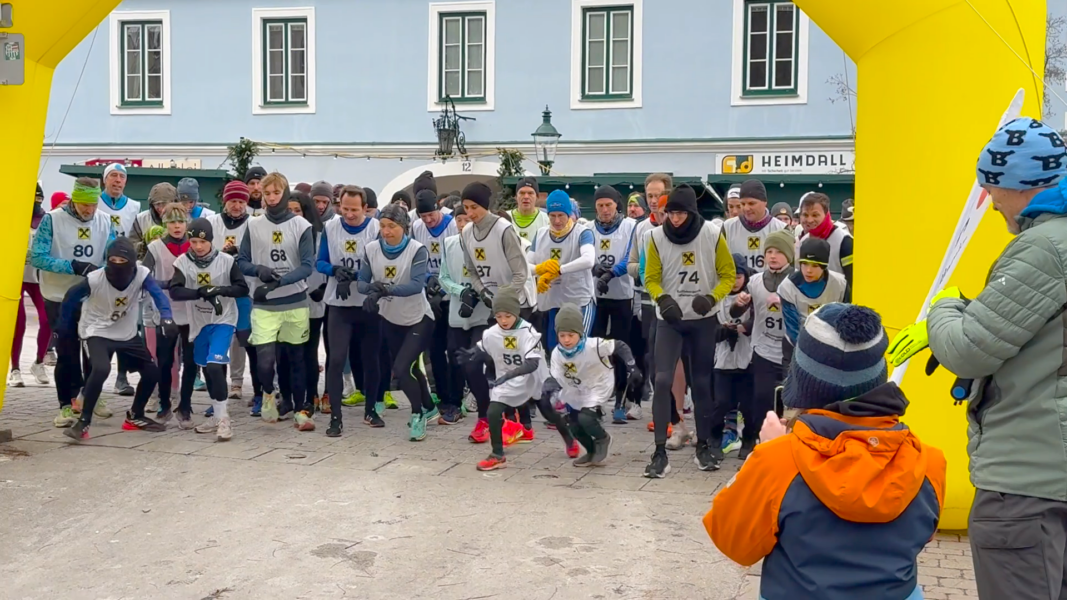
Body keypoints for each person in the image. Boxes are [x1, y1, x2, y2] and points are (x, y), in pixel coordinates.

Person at [887, 117, 1067, 600]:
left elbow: (969, 349)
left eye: (992, 188)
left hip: (1029, 480)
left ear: (1020, 183)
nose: (988, 202)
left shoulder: (1045, 247)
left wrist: (944, 307)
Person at [707, 303, 944, 600]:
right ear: (877, 378)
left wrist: (761, 456)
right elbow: (922, 536)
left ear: (803, 382)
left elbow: (735, 544)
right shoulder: (929, 461)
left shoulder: (778, 460)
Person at [642, 184, 736, 478]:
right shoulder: (656, 237)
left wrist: (712, 297)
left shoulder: (710, 234)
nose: (676, 219)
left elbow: (728, 274)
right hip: (670, 318)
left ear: (691, 212)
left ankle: (704, 446)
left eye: (681, 213)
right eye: (671, 213)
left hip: (703, 318)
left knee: (702, 382)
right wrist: (662, 298)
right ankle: (659, 452)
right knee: (662, 379)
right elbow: (651, 277)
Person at [60, 238, 173, 441]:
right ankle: (83, 422)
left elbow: (158, 295)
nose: (117, 264)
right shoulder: (95, 279)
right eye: (112, 259)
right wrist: (62, 328)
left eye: (122, 259)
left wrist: (166, 316)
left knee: (151, 372)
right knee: (102, 368)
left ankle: (135, 415)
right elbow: (70, 297)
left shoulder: (142, 274)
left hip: (126, 333)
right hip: (96, 330)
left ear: (131, 261)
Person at [31, 177, 115, 427]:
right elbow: (37, 257)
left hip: (91, 295)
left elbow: (111, 254)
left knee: (94, 350)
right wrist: (71, 266)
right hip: (58, 296)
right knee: (67, 353)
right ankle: (65, 405)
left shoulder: (105, 221)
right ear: (73, 200)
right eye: (83, 204)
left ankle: (90, 395)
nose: (89, 210)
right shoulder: (52, 220)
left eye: (93, 204)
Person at [457, 289, 571, 471]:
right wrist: (472, 354)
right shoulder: (491, 332)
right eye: (499, 316)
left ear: (516, 313)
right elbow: (482, 347)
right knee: (493, 411)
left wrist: (509, 375)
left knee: (549, 412)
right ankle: (497, 455)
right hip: (506, 380)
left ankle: (569, 439)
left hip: (533, 378)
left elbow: (532, 364)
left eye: (507, 315)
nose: (503, 320)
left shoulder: (528, 332)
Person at [237, 172, 315, 430]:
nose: (271, 198)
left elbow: (306, 266)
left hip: (294, 301)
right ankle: (268, 393)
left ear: (284, 193)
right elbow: (242, 261)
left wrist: (279, 281)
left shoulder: (301, 226)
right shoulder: (253, 224)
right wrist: (259, 270)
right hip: (264, 302)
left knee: (296, 358)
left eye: (276, 193)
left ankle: (301, 409)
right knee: (266, 359)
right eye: (266, 193)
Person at [357, 204, 437, 440]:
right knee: (410, 367)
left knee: (401, 369)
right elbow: (361, 282)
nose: (386, 231)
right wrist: (372, 291)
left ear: (404, 227)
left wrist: (384, 290)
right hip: (391, 318)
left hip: (419, 318)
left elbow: (415, 285)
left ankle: (417, 414)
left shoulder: (417, 250)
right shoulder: (371, 249)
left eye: (392, 226)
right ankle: (430, 406)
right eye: (382, 226)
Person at [166, 218, 248, 441]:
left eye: (202, 242)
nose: (198, 247)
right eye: (193, 241)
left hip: (223, 319)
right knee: (206, 367)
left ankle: (223, 420)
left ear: (211, 240)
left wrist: (219, 290)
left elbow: (242, 288)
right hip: (198, 323)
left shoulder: (226, 261)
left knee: (214, 366)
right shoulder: (183, 262)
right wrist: (200, 293)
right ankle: (215, 414)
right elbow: (175, 291)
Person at [319, 185, 383, 435]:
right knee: (335, 359)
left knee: (370, 359)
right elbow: (320, 261)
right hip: (339, 303)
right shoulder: (330, 227)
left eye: (354, 210)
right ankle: (336, 416)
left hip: (367, 303)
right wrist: (335, 271)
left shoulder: (375, 229)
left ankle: (371, 408)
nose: (349, 214)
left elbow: (380, 263)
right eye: (344, 209)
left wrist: (357, 276)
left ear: (365, 209)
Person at [549, 303, 641, 466]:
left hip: (599, 385)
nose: (566, 340)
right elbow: (556, 376)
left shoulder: (594, 345)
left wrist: (631, 366)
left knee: (586, 418)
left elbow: (619, 346)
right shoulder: (557, 353)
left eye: (571, 335)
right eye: (562, 335)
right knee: (573, 424)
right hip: (577, 389)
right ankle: (591, 451)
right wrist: (550, 389)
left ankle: (603, 438)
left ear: (580, 332)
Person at [731, 230, 794, 459]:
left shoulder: (797, 281)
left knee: (788, 403)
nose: (773, 256)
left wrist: (787, 302)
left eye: (779, 252)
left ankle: (788, 449)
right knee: (761, 399)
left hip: (791, 352)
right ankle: (759, 445)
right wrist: (739, 304)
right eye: (769, 251)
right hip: (763, 350)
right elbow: (737, 311)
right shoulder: (756, 281)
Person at [438, 200, 494, 438]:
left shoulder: (485, 244)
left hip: (482, 312)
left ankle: (486, 414)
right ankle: (454, 404)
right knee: (455, 357)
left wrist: (480, 292)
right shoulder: (449, 243)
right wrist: (460, 291)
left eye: (466, 219)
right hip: (457, 312)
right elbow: (443, 277)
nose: (463, 223)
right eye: (459, 219)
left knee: (473, 362)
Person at [143, 203, 197, 428]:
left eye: (181, 222)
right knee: (164, 360)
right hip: (166, 311)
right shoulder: (155, 247)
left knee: (192, 361)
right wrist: (166, 284)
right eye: (172, 222)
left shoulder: (194, 245)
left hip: (192, 311)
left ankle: (185, 404)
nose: (177, 227)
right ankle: (164, 402)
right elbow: (144, 276)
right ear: (164, 225)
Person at [589, 185, 638, 423]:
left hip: (621, 296)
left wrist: (612, 273)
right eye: (600, 206)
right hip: (596, 298)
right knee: (595, 349)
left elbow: (630, 256)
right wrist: (595, 269)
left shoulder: (630, 226)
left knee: (619, 349)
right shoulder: (588, 228)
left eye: (608, 205)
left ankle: (620, 400)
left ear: (616, 205)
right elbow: (585, 254)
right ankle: (596, 400)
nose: (605, 210)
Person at [412, 184, 461, 420]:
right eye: (424, 216)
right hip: (430, 297)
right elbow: (416, 260)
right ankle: (441, 397)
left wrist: (442, 286)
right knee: (435, 350)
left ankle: (456, 399)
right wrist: (426, 283)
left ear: (438, 209)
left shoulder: (451, 225)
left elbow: (457, 261)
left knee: (453, 349)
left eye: (431, 215)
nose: (428, 220)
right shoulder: (417, 227)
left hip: (451, 294)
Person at [207, 181, 258, 406]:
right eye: (233, 201)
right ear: (225, 202)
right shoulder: (212, 223)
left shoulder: (255, 225)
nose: (237, 206)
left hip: (245, 289)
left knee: (242, 338)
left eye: (241, 201)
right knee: (219, 337)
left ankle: (237, 381)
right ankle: (218, 387)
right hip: (218, 289)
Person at [530, 190, 596, 352]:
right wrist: (540, 268)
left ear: (569, 213)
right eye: (552, 216)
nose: (557, 220)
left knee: (577, 347)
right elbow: (525, 265)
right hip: (554, 301)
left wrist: (560, 270)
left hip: (579, 300)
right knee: (555, 350)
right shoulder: (541, 234)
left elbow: (589, 259)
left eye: (561, 215)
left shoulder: (582, 232)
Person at [96, 163, 141, 397]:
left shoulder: (134, 206)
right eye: (113, 176)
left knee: (125, 322)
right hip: (100, 272)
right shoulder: (95, 202)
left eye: (121, 177)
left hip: (125, 272)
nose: (117, 180)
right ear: (105, 180)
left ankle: (122, 377)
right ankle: (96, 374)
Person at [460, 182, 533, 318]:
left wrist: (504, 299)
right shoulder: (467, 232)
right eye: (466, 207)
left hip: (518, 304)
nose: (469, 213)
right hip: (494, 305)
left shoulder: (503, 229)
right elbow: (472, 270)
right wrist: (482, 291)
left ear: (485, 205)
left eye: (474, 207)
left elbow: (520, 273)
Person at [708, 254, 753, 460]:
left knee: (748, 404)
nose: (735, 281)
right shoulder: (716, 297)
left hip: (747, 357)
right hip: (722, 360)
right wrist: (723, 330)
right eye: (731, 276)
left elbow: (758, 322)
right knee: (721, 403)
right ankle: (715, 438)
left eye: (739, 276)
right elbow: (709, 330)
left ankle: (749, 440)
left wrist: (745, 327)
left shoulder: (752, 296)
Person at [287, 191, 328, 415]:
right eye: (289, 211)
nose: (294, 215)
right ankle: (293, 397)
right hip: (289, 300)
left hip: (314, 300)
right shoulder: (282, 235)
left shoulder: (320, 235)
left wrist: (323, 287)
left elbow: (327, 263)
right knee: (291, 353)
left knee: (309, 352)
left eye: (298, 210)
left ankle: (311, 397)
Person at [779, 237, 848, 366]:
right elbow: (793, 328)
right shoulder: (788, 286)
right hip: (797, 347)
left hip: (831, 347)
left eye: (815, 265)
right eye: (804, 264)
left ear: (824, 266)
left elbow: (844, 319)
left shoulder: (840, 284)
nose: (808, 270)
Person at [10, 184, 51, 388]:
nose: (37, 202)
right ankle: (15, 368)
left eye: (39, 198)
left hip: (38, 277)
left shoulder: (46, 219)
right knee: (19, 323)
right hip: (17, 277)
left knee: (46, 320)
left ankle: (38, 362)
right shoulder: (15, 216)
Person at [723, 179, 787, 273]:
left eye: (751, 203)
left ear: (764, 202)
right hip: (736, 286)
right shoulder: (727, 227)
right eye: (743, 204)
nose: (746, 208)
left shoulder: (781, 228)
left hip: (769, 287)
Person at [796, 192, 853, 290]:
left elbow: (853, 280)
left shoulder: (844, 240)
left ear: (826, 214)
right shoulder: (802, 242)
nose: (809, 220)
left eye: (815, 215)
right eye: (805, 215)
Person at [130, 182, 176, 258]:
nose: (161, 209)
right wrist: (145, 245)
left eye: (164, 204)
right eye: (157, 204)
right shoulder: (141, 219)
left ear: (173, 202)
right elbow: (132, 245)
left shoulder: (181, 218)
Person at [509, 176, 549, 241]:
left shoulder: (546, 220)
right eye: (522, 193)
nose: (526, 197)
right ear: (516, 197)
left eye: (530, 193)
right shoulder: (505, 218)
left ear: (537, 197)